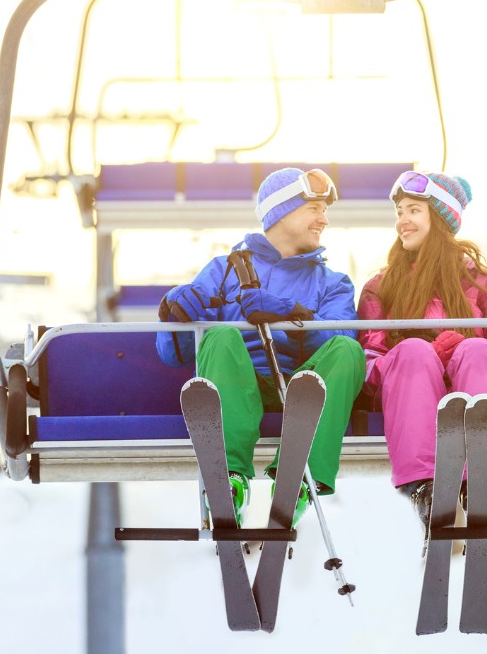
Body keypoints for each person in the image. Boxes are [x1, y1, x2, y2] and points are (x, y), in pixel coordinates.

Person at [156, 167, 366, 527]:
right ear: (283, 211)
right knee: (221, 336)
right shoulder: (225, 271)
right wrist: (175, 313)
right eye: (314, 209)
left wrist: (293, 317)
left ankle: (298, 475)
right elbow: (174, 354)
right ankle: (229, 478)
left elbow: (342, 340)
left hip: (299, 388)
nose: (324, 220)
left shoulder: (332, 283)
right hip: (237, 386)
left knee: (349, 353)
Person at [356, 170, 487, 534]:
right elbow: (370, 360)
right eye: (399, 212)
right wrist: (428, 352)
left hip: (471, 380)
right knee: (412, 351)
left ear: (438, 218)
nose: (402, 222)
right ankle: (426, 485)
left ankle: (484, 481)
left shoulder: (481, 283)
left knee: (476, 349)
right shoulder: (382, 287)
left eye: (413, 211)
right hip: (409, 389)